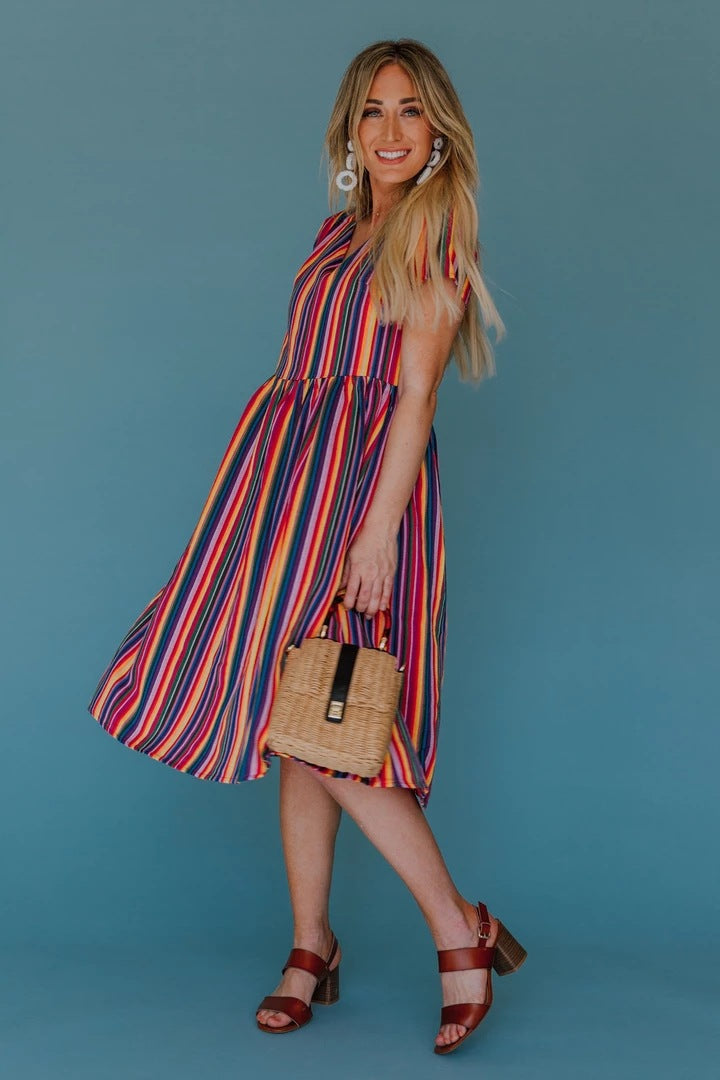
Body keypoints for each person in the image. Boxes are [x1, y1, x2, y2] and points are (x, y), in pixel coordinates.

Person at [88, 38, 526, 1055]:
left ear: (438, 131)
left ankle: (460, 933)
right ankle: (311, 945)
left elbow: (413, 398)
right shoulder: (335, 233)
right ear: (349, 131)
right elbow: (303, 378)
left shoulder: (432, 238)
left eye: (410, 111)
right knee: (296, 724)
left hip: (362, 502)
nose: (389, 131)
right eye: (371, 111)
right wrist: (260, 504)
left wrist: (375, 537)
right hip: (284, 497)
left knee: (339, 731)